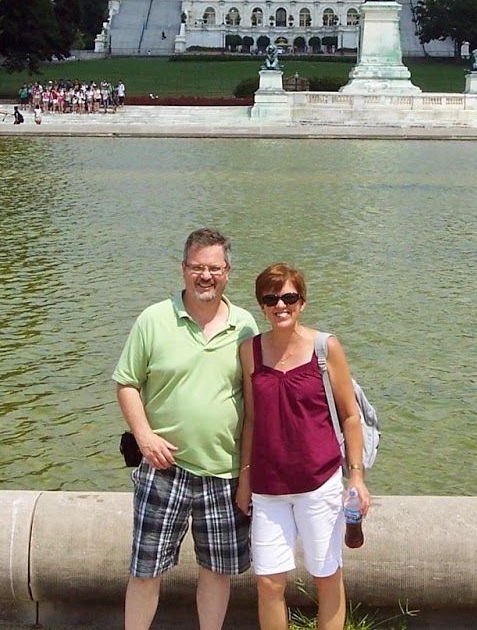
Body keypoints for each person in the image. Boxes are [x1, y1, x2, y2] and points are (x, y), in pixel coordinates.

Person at [114, 229, 257, 630]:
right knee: (146, 569)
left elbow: (255, 405)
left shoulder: (246, 326)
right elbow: (126, 383)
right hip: (162, 468)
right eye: (197, 267)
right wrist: (143, 436)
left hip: (224, 471)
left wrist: (247, 474)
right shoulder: (153, 319)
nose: (205, 276)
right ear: (183, 269)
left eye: (214, 268)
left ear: (228, 272)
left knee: (217, 570)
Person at [236, 263, 369, 630]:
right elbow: (252, 419)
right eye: (271, 298)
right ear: (261, 306)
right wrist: (245, 480)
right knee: (268, 582)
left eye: (289, 297)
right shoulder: (249, 350)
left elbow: (350, 417)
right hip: (267, 487)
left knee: (326, 578)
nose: (281, 305)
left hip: (319, 484)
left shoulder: (326, 348)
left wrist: (356, 476)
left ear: (302, 302)